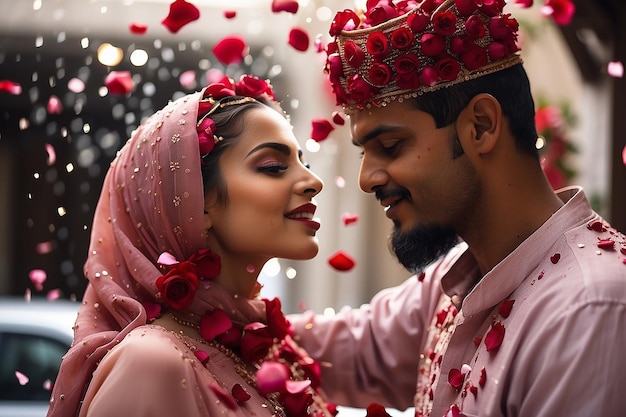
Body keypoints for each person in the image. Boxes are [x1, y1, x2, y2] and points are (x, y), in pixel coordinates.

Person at [289, 0, 626, 416]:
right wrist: (204, 299)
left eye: (390, 146)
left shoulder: (588, 309)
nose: (367, 178)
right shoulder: (458, 279)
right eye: (364, 152)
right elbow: (347, 352)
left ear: (481, 126)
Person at [46, 74, 335, 417]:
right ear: (195, 202)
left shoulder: (261, 344)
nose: (312, 182)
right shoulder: (151, 362)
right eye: (273, 167)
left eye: (304, 163)